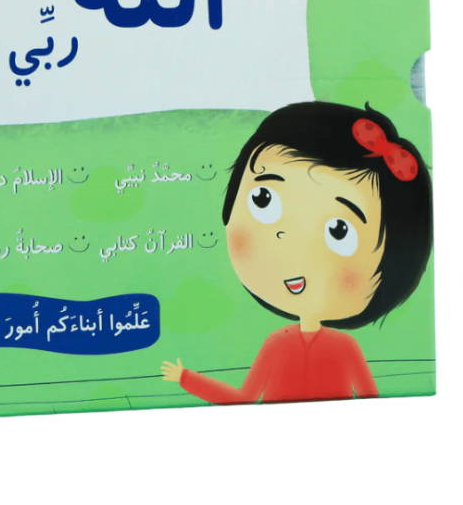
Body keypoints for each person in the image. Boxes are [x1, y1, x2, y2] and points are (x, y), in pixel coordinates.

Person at [161, 101, 433, 403]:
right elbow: (245, 398)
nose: (291, 240)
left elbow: (371, 401)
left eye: (339, 231)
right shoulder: (276, 344)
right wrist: (186, 378)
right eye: (263, 199)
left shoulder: (345, 348)